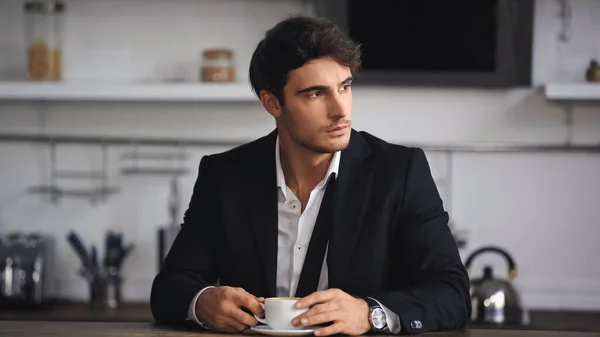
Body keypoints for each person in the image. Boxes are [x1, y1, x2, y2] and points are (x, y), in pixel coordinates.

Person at [150, 14, 471, 335]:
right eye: (316, 94)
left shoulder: (400, 172)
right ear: (272, 102)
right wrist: (203, 302)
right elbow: (171, 287)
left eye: (344, 87)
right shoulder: (224, 176)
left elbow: (452, 292)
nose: (340, 110)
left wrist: (369, 313)